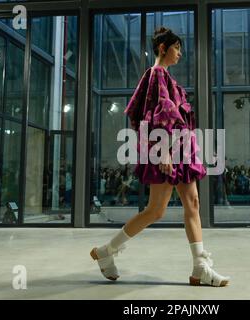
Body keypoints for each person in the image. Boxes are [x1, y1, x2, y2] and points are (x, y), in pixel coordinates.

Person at [90, 26, 230, 287]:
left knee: (193, 202)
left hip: (181, 148)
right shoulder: (155, 74)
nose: (180, 53)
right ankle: (106, 251)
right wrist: (163, 151)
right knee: (156, 210)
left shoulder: (166, 78)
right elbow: (154, 114)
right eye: (176, 48)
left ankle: (200, 267)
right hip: (166, 148)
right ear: (163, 48)